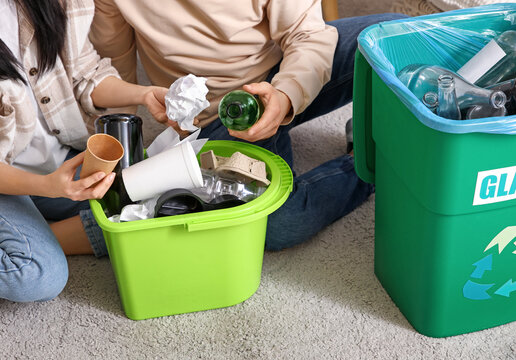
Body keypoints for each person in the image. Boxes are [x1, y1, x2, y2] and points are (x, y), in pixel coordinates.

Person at [90, 0, 407, 252]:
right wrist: (115, 160)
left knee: (410, 38)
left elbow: (307, 35)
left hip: (278, 72)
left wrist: (284, 96)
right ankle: (373, 162)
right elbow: (114, 69)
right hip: (215, 119)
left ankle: (371, 127)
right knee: (278, 222)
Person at [0, 0, 170, 316]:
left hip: (57, 162)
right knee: (39, 273)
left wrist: (144, 95)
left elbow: (85, 74)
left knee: (160, 203)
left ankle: (32, 233)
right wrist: (48, 186)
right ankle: (25, 240)